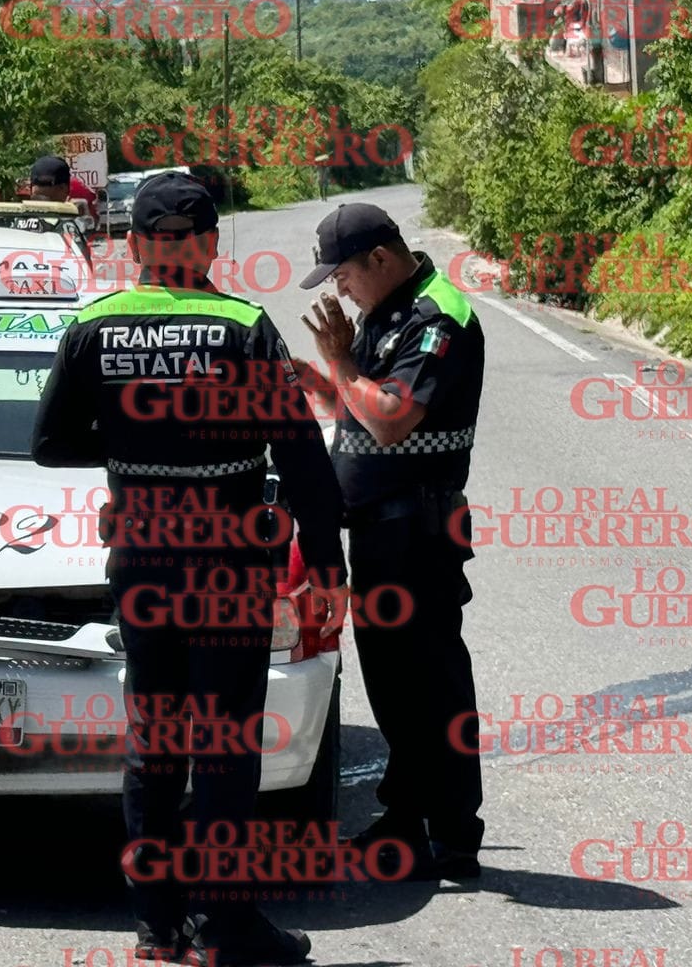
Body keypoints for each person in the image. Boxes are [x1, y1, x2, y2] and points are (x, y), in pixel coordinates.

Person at [32, 171, 346, 966]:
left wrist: (136, 454)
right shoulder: (242, 323)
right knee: (225, 747)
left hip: (142, 555)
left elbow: (49, 445)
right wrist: (331, 564)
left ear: (135, 247)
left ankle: (158, 929)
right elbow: (301, 450)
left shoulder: (94, 325)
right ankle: (228, 928)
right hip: (228, 563)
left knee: (154, 743)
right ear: (209, 246)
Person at [295, 202, 485, 881]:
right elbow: (354, 406)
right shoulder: (388, 311)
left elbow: (393, 419)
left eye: (341, 274)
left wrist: (340, 363)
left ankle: (454, 835)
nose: (338, 289)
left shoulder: (437, 316)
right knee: (394, 689)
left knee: (433, 686)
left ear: (379, 258)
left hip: (419, 534)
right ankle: (404, 819)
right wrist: (309, 379)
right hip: (381, 532)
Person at [15, 155, 95, 258]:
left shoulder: (8, 219)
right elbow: (83, 266)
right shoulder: (67, 225)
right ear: (64, 188)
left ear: (32, 186)